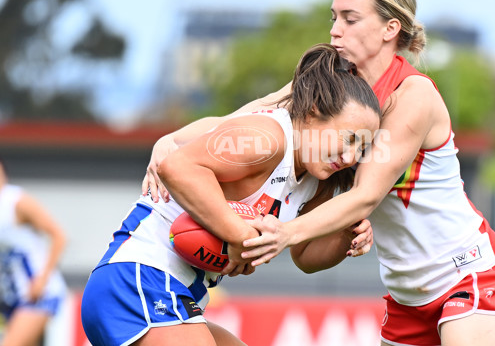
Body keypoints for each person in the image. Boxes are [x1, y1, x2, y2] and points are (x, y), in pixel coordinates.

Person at [142, 0, 495, 346]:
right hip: (408, 295)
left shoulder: (413, 95)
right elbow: (248, 115)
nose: (334, 30)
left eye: (350, 18)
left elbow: (365, 196)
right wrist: (171, 141)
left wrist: (283, 234)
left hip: (468, 271)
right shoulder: (335, 89)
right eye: (334, 17)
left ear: (390, 28)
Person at [80, 43, 381, 346]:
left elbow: (303, 256)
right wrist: (240, 236)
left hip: (176, 293)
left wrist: (344, 235)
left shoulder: (317, 178)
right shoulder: (268, 138)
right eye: (349, 139)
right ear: (315, 112)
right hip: (138, 279)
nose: (352, 156)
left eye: (362, 147)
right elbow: (178, 168)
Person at [0, 157, 67, 346]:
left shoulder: (16, 201)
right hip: (11, 298)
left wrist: (42, 280)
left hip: (38, 294)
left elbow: (59, 236)